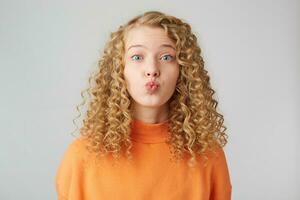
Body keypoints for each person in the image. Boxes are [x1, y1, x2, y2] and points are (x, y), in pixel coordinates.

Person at [55, 10, 232, 200]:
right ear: (119, 70)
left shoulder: (208, 156)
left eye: (166, 57)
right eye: (137, 57)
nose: (152, 70)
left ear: (184, 71)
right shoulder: (82, 156)